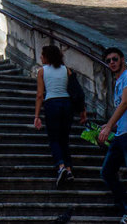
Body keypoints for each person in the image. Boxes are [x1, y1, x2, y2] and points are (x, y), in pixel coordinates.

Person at [98, 48, 127, 224]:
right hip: (121, 133)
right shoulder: (118, 82)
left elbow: (125, 103)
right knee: (107, 172)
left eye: (115, 59)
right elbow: (125, 110)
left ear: (122, 59)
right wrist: (110, 126)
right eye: (108, 60)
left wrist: (109, 126)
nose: (111, 62)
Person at [33, 45, 87, 189]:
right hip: (67, 104)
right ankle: (68, 169)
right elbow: (75, 89)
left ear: (47, 56)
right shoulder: (66, 70)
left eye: (42, 55)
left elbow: (39, 95)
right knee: (64, 138)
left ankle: (61, 166)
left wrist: (37, 115)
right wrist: (82, 110)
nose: (40, 57)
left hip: (52, 104)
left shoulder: (42, 71)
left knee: (54, 138)